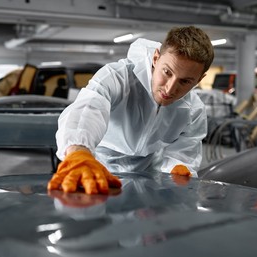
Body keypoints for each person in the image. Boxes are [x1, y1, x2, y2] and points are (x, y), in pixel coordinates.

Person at [48, 25, 214, 195]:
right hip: (95, 170)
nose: (170, 89)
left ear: (199, 79)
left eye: (185, 81)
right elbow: (88, 109)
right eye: (167, 72)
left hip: (149, 183)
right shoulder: (118, 77)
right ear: (156, 58)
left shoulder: (193, 111)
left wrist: (178, 169)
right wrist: (79, 153)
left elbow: (183, 153)